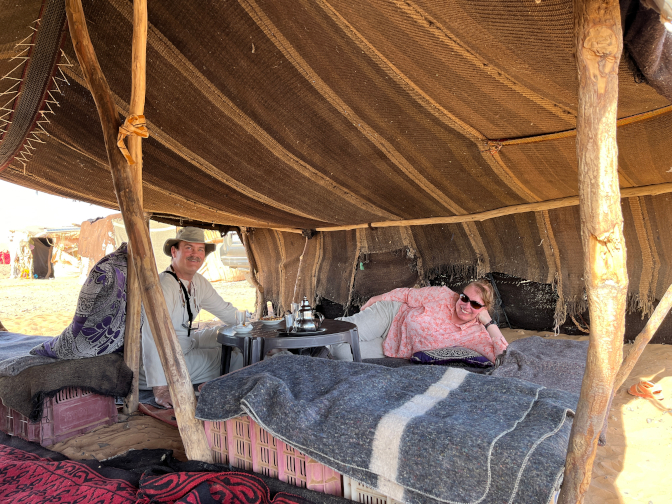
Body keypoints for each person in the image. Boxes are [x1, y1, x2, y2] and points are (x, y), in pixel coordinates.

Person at [140, 227, 241, 408]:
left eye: (200, 249)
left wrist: (258, 326)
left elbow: (226, 312)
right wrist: (161, 389)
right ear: (174, 251)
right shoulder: (164, 285)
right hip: (164, 360)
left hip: (188, 341)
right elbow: (152, 336)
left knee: (230, 334)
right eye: (188, 248)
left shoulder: (198, 282)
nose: (195, 254)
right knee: (233, 358)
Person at [330, 279, 508, 362]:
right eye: (464, 297)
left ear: (484, 309)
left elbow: (504, 358)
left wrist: (489, 323)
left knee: (341, 354)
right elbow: (408, 295)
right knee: (337, 333)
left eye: (475, 304)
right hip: (391, 316)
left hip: (393, 346)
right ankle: (307, 328)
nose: (466, 305)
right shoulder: (443, 295)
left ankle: (315, 344)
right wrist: (378, 298)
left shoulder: (475, 334)